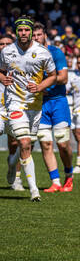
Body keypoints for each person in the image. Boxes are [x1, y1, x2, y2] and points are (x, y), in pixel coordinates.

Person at [0, 16, 56, 201]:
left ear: (31, 31)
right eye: (20, 30)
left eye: (26, 30)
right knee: (24, 143)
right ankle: (34, 191)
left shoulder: (42, 52)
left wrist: (40, 87)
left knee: (26, 145)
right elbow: (1, 70)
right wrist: (2, 78)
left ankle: (11, 163)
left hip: (35, 105)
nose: (23, 33)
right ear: (16, 31)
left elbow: (53, 76)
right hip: (14, 102)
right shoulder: (7, 51)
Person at [32, 22, 74, 192]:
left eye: (39, 35)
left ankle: (69, 176)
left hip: (58, 102)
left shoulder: (56, 53)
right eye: (33, 36)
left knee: (63, 143)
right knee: (45, 143)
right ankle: (55, 182)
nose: (36, 38)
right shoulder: (29, 56)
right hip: (40, 104)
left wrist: (42, 83)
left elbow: (63, 78)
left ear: (45, 35)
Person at [0, 34, 24, 191]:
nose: (3, 46)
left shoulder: (21, 62)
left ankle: (16, 177)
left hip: (16, 108)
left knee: (19, 143)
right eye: (1, 44)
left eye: (7, 43)